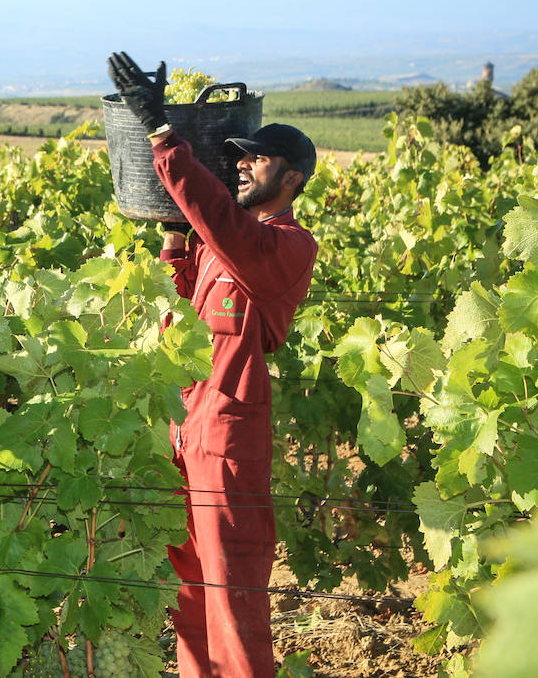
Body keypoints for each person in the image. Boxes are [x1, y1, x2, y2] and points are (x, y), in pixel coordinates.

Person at [108, 52, 318, 678]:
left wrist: (165, 138)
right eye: (239, 156)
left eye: (258, 157)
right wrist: (174, 236)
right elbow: (181, 304)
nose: (244, 165)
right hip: (183, 438)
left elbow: (222, 221)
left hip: (227, 445)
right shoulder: (219, 245)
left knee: (233, 595)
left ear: (293, 179)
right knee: (189, 595)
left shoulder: (284, 246)